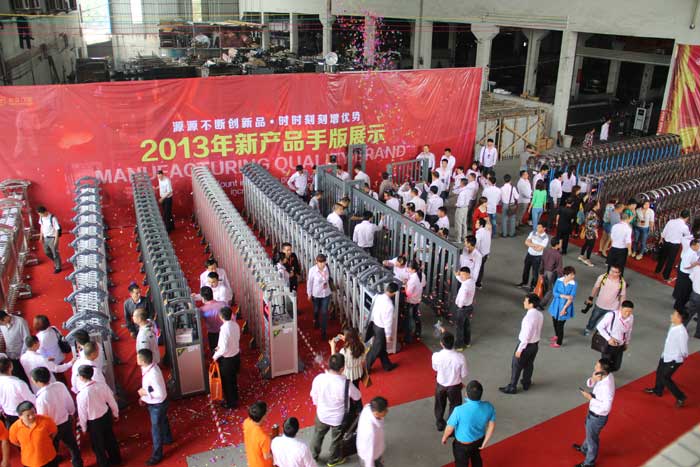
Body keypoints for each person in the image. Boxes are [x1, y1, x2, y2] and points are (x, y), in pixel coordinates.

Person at [310, 354, 361, 466]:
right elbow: (357, 396)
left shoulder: (319, 378)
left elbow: (314, 396)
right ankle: (333, 460)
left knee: (317, 435)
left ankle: (313, 455)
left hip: (321, 415)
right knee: (336, 440)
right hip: (337, 419)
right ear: (342, 369)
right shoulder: (346, 384)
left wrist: (319, 406)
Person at [31, 367, 83, 467]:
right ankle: (78, 463)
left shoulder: (41, 398)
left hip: (52, 427)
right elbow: (69, 401)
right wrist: (72, 413)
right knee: (72, 445)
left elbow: (43, 417)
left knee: (53, 449)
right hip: (65, 420)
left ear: (36, 381)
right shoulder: (60, 385)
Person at [441, 380, 496, 467]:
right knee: (476, 457)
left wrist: (445, 437)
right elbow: (491, 426)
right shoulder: (489, 406)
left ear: (466, 394)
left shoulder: (458, 410)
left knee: (461, 463)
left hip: (463, 445)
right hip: (479, 440)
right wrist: (485, 442)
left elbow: (449, 428)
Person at [76, 365, 121, 467]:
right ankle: (116, 459)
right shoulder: (101, 385)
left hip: (94, 423)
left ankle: (103, 463)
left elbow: (82, 414)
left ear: (81, 377)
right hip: (106, 416)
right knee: (110, 439)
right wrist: (116, 413)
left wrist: (84, 427)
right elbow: (111, 400)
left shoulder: (82, 395)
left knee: (98, 445)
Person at [572, 358, 614, 467]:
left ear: (602, 371)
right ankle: (584, 449)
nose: (595, 367)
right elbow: (589, 384)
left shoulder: (607, 387)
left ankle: (589, 463)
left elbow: (606, 407)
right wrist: (593, 379)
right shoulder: (605, 375)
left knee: (592, 440)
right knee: (590, 433)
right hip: (593, 412)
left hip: (597, 416)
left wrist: (590, 398)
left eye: (597, 365)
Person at [499, 293, 544, 395]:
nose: (524, 302)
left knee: (516, 365)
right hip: (535, 344)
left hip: (526, 346)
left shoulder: (528, 318)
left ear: (531, 304)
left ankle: (512, 386)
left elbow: (526, 336)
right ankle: (526, 382)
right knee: (529, 364)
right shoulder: (540, 314)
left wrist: (520, 349)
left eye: (525, 301)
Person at [644, 309, 688, 407]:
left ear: (679, 318)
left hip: (674, 359)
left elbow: (684, 349)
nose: (671, 315)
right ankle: (658, 390)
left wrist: (678, 358)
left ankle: (680, 397)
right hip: (665, 355)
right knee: (659, 372)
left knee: (665, 378)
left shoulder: (681, 332)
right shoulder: (673, 325)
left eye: (674, 314)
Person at [137, 349, 173, 465]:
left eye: (138, 357)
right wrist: (144, 397)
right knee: (163, 420)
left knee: (156, 429)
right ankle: (167, 438)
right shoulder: (150, 367)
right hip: (159, 403)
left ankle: (157, 455)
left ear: (143, 361)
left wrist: (145, 393)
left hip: (157, 405)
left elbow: (160, 393)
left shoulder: (153, 374)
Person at [432, 332, 468, 431]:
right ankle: (451, 426)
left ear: (441, 343)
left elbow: (435, 368)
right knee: (455, 406)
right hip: (455, 386)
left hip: (440, 385)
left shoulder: (436, 356)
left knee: (439, 404)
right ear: (454, 342)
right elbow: (464, 374)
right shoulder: (460, 357)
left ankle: (439, 423)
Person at [9, 401, 58, 467]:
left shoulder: (46, 420)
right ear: (20, 416)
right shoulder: (14, 428)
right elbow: (14, 441)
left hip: (49, 459)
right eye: (28, 415)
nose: (32, 416)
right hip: (29, 462)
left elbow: (54, 432)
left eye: (33, 413)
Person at [583, 266, 626, 336]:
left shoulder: (622, 283)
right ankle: (589, 328)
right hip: (600, 304)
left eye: (615, 272)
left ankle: (604, 333)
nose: (612, 273)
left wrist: (621, 308)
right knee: (593, 318)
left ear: (619, 273)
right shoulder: (602, 277)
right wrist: (590, 298)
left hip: (613, 307)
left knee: (609, 322)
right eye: (611, 271)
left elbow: (622, 296)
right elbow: (595, 288)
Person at [366, 283, 399, 372]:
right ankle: (366, 367)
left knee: (382, 347)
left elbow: (373, 310)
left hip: (375, 325)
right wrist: (388, 335)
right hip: (381, 329)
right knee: (376, 349)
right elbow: (388, 322)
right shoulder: (390, 305)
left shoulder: (378, 297)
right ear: (394, 293)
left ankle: (387, 365)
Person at [212, 306, 241, 410]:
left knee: (227, 382)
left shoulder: (224, 329)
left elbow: (223, 348)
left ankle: (231, 403)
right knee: (233, 379)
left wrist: (215, 356)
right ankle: (235, 398)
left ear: (221, 317)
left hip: (227, 360)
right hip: (236, 356)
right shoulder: (235, 325)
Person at [595, 300, 634, 372]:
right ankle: (604, 375)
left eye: (630, 311)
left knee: (616, 366)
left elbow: (629, 330)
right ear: (621, 308)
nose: (628, 313)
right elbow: (599, 327)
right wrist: (609, 339)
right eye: (626, 311)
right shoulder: (611, 315)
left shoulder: (631, 317)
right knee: (605, 365)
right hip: (609, 345)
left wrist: (627, 342)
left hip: (620, 345)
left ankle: (609, 373)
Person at [656, 210, 692, 281]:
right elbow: (688, 236)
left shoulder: (671, 221)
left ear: (680, 214)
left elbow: (665, 230)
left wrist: (661, 238)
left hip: (666, 242)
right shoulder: (684, 227)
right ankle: (665, 276)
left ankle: (657, 270)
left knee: (662, 257)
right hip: (674, 245)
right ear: (687, 217)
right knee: (670, 261)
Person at [0, 357, 35, 427]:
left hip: (8, 414)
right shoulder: (18, 383)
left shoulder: (17, 383)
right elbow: (31, 399)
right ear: (11, 366)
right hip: (23, 415)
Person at [548, 266, 577, 348]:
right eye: (571, 275)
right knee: (554, 321)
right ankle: (557, 335)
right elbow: (554, 292)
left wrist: (564, 309)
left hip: (566, 306)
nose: (573, 276)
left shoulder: (574, 284)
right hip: (556, 305)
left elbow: (571, 298)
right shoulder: (559, 280)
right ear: (565, 275)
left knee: (560, 325)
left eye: (573, 274)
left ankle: (559, 342)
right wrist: (564, 296)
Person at [357, 397, 389, 467]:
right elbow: (369, 455)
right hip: (370, 457)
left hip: (375, 452)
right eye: (385, 410)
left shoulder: (368, 408)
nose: (387, 411)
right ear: (376, 413)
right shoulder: (370, 432)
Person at [0, 310, 31, 383]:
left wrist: (22, 355)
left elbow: (27, 339)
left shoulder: (20, 322)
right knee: (16, 377)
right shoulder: (2, 325)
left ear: (5, 318)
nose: (1, 325)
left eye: (1, 323)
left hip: (21, 356)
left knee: (26, 377)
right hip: (10, 355)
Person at [307, 254, 333, 340]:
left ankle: (323, 331)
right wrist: (309, 294)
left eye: (323, 262)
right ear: (316, 262)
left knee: (324, 312)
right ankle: (316, 320)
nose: (322, 264)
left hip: (326, 293)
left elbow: (328, 279)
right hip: (316, 294)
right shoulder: (312, 270)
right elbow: (309, 282)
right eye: (320, 262)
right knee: (316, 310)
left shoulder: (327, 268)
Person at [518, 223, 549, 291]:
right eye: (537, 227)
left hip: (537, 257)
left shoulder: (545, 238)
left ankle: (533, 286)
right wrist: (535, 245)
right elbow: (526, 242)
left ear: (544, 228)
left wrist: (531, 244)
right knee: (526, 269)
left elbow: (539, 249)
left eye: (539, 227)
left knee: (535, 272)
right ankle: (524, 282)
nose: (537, 228)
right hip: (529, 254)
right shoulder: (533, 232)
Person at [243, 401, 273, 467]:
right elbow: (266, 456)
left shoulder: (246, 422)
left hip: (251, 460)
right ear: (264, 416)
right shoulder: (264, 437)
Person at [197, 286, 226, 355]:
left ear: (202, 298)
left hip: (213, 335)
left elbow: (195, 319)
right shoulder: (223, 304)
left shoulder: (202, 309)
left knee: (215, 352)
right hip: (225, 332)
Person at [673, 239, 700, 312]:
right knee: (683, 292)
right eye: (698, 246)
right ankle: (678, 307)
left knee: (686, 292)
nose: (699, 247)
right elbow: (686, 266)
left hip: (687, 274)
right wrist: (696, 264)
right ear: (693, 245)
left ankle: (680, 306)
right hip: (685, 275)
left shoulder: (693, 251)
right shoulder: (689, 254)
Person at [404, 261, 426, 343]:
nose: (407, 269)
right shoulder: (422, 275)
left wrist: (406, 285)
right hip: (417, 299)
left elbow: (408, 293)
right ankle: (418, 333)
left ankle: (408, 338)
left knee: (409, 319)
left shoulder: (413, 279)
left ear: (413, 270)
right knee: (416, 316)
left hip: (411, 301)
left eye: (408, 268)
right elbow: (423, 285)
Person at [454, 267, 475, 350]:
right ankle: (467, 342)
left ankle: (459, 346)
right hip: (469, 307)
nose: (461, 276)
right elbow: (462, 280)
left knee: (459, 327)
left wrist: (459, 306)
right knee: (467, 325)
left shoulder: (465, 286)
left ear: (468, 274)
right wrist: (457, 276)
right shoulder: (471, 281)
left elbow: (462, 298)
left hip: (463, 308)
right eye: (461, 274)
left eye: (463, 274)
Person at [37, 206, 62, 273]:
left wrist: (56, 240)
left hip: (52, 238)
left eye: (41, 214)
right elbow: (41, 226)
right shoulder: (41, 217)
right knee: (47, 252)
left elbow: (57, 230)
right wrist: (40, 236)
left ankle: (58, 267)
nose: (40, 216)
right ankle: (56, 261)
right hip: (45, 238)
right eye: (39, 214)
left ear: (45, 212)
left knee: (55, 253)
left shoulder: (53, 218)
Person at [539, 237, 563, 308]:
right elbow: (559, 268)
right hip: (551, 273)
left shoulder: (546, 250)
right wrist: (561, 277)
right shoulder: (558, 255)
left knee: (545, 286)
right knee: (550, 290)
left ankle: (541, 298)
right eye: (559, 243)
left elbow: (542, 261)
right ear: (557, 245)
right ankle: (542, 303)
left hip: (544, 271)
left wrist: (541, 272)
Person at [578, 200, 600, 267]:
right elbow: (592, 225)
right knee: (591, 246)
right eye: (598, 204)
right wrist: (596, 233)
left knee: (586, 243)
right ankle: (587, 260)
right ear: (595, 206)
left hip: (587, 231)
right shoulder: (593, 214)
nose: (599, 205)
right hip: (591, 232)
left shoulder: (589, 212)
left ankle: (581, 255)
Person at [453, 177, 474, 242]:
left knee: (458, 224)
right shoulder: (468, 190)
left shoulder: (462, 193)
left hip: (460, 209)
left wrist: (456, 204)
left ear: (462, 183)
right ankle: (464, 237)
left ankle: (458, 239)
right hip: (466, 208)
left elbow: (460, 204)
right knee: (464, 223)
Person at [474, 219, 491, 288]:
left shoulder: (479, 234)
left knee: (477, 269)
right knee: (481, 268)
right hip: (485, 254)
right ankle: (479, 282)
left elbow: (476, 245)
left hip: (480, 254)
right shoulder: (487, 231)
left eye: (477, 223)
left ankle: (477, 283)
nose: (475, 224)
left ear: (481, 225)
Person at [685, 265, 700, 338]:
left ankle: (681, 327)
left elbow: (691, 277)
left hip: (695, 294)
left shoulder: (697, 268)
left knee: (689, 312)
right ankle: (698, 334)